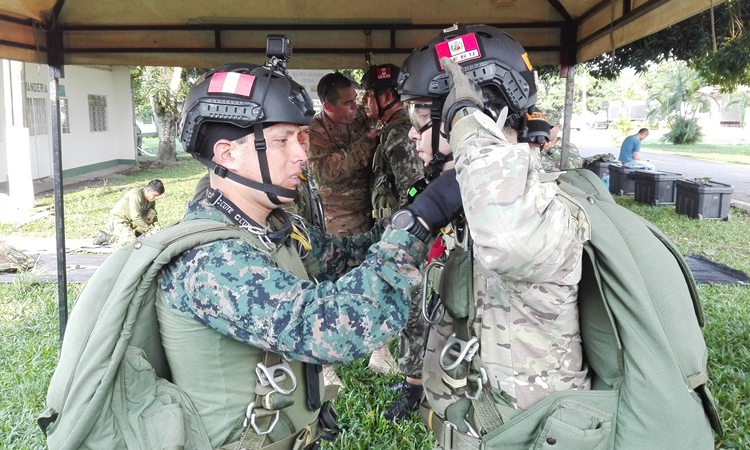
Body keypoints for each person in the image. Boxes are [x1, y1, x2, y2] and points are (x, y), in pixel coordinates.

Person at [161, 58, 452, 449]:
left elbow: (344, 255)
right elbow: (337, 326)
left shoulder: (274, 226)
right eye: (283, 141)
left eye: (302, 137)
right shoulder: (213, 260)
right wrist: (417, 223)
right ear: (227, 153)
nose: (302, 154)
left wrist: (417, 213)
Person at [397, 24, 591, 435]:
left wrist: (468, 121)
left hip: (533, 433)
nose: (412, 132)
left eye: (421, 112)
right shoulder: (474, 201)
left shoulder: (537, 204)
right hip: (482, 426)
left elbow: (508, 239)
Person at [360, 63, 430, 397]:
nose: (364, 103)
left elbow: (414, 188)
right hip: (392, 232)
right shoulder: (390, 130)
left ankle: (413, 382)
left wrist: (403, 238)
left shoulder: (399, 133)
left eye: (368, 96)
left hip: (406, 238)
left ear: (385, 96)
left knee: (413, 306)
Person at [307, 72, 380, 236]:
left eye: (355, 98)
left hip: (372, 210)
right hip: (341, 220)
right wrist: (366, 144)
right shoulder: (314, 131)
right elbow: (322, 172)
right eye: (348, 103)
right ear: (328, 107)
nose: (356, 106)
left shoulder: (360, 115)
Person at [104, 179, 164, 246]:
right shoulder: (136, 195)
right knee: (130, 244)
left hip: (130, 222)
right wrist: (149, 230)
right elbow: (135, 216)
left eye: (157, 196)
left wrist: (157, 227)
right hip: (118, 220)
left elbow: (153, 215)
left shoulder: (151, 200)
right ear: (148, 190)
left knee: (151, 213)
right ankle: (106, 237)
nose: (156, 198)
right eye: (155, 195)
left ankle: (139, 234)